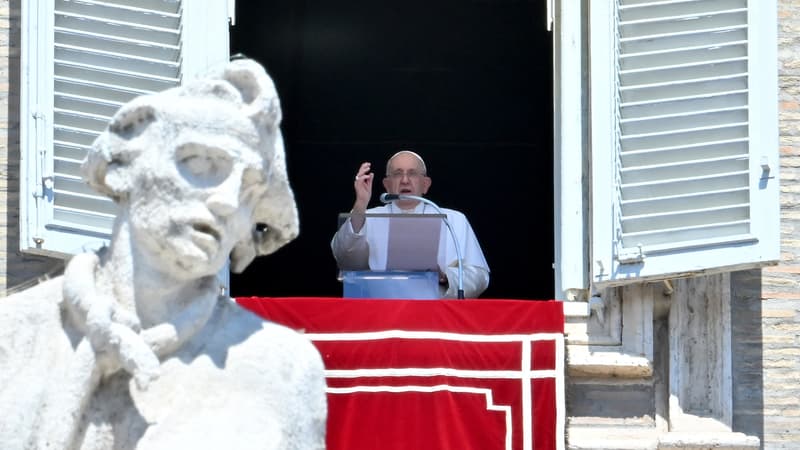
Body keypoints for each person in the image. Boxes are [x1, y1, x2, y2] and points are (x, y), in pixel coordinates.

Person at [0, 58, 326, 450]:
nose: (226, 201)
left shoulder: (281, 367)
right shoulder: (14, 334)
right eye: (201, 162)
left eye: (250, 191)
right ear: (123, 166)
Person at [331, 150, 490, 298]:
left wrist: (446, 277)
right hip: (381, 311)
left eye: (412, 174)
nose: (405, 180)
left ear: (426, 184)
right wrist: (360, 204)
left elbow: (479, 276)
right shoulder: (368, 217)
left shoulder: (453, 219)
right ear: (386, 184)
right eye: (397, 174)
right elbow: (345, 259)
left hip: (436, 314)